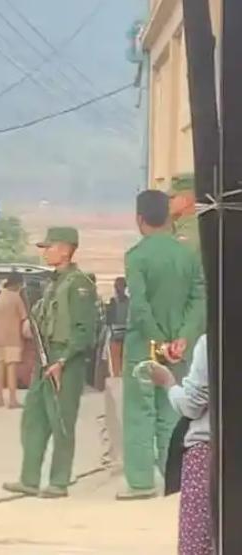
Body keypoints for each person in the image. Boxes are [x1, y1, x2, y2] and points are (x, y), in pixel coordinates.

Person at [117, 190, 205, 500]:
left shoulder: (136, 256)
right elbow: (199, 299)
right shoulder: (189, 255)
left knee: (139, 412)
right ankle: (174, 479)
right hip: (180, 350)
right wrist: (183, 337)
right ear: (169, 217)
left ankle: (141, 483)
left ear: (140, 219)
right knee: (172, 410)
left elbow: (140, 307)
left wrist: (158, 341)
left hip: (144, 346)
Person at [4, 227, 97, 498]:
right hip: (44, 356)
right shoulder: (53, 283)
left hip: (65, 359)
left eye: (50, 247)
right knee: (34, 418)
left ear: (66, 250)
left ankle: (59, 481)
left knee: (61, 422)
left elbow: (85, 331)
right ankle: (29, 479)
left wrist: (63, 360)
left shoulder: (79, 284)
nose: (45, 252)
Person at [148, 335, 212, 554]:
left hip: (208, 452)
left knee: (197, 544)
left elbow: (192, 405)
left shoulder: (212, 341)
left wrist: (168, 383)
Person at [99, 276, 129, 472]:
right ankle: (120, 376)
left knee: (116, 358)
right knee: (121, 358)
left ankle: (117, 376)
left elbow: (108, 321)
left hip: (117, 334)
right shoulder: (127, 303)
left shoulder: (114, 303)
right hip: (125, 334)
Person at [0, 272, 28, 409]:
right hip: (12, 338)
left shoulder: (0, 296)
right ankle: (12, 400)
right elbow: (24, 316)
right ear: (18, 284)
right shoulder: (16, 298)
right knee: (11, 369)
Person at [169, 173, 200, 252]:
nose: (168, 201)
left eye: (172, 197)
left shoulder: (191, 229)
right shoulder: (180, 224)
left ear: (187, 199)